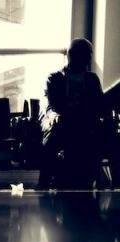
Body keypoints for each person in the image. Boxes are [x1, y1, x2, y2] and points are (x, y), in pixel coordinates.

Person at [40, 38, 107, 188]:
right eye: (86, 54)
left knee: (100, 134)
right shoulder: (55, 78)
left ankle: (93, 181)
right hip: (63, 122)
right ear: (72, 55)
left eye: (89, 54)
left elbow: (100, 104)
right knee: (56, 134)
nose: (89, 58)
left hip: (85, 123)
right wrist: (54, 116)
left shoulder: (92, 79)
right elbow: (49, 104)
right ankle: (44, 181)